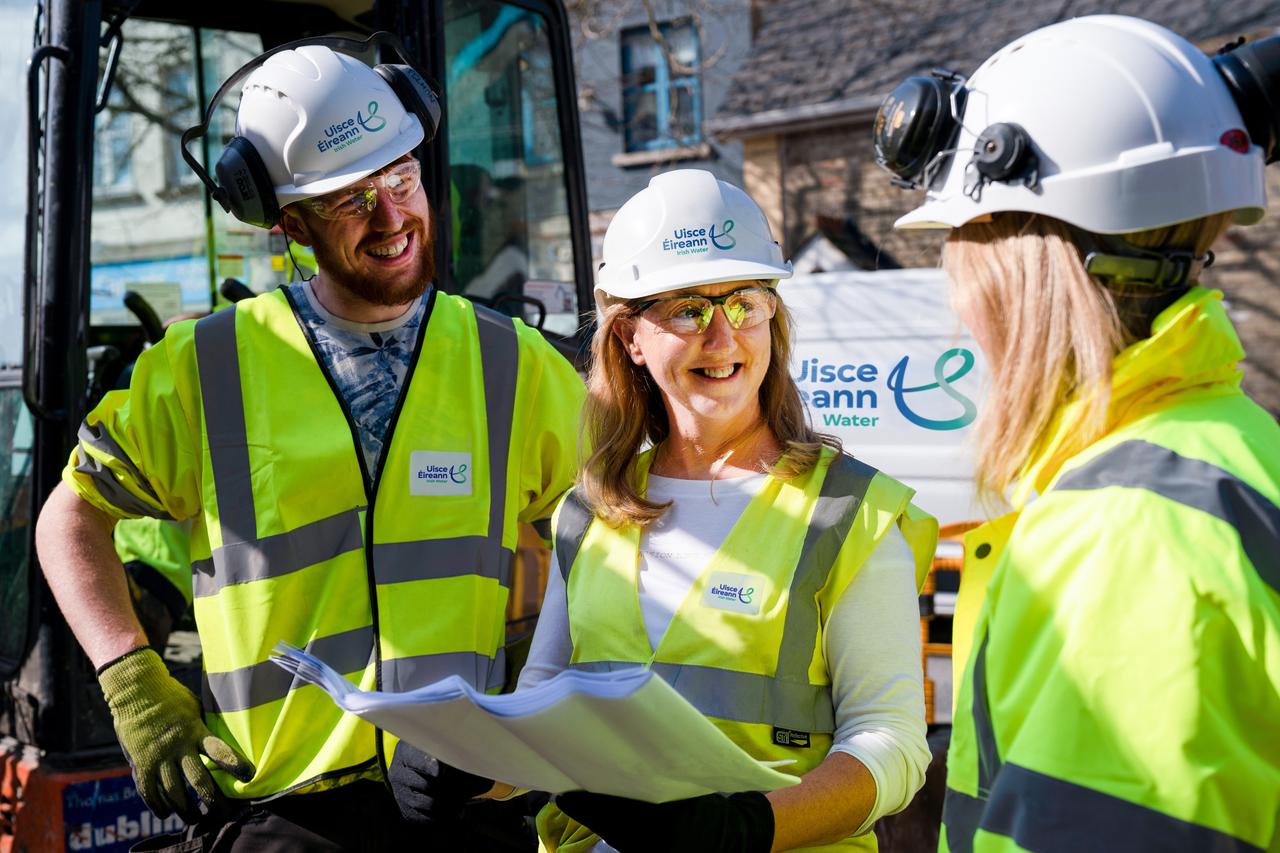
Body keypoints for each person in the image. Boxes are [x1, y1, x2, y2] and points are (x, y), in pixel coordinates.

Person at [34, 39, 584, 850]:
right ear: (289, 221)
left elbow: (622, 532)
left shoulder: (516, 364)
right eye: (352, 200)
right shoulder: (202, 367)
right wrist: (133, 681)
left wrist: (536, 697)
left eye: (401, 178)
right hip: (280, 816)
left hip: (465, 802)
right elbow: (66, 521)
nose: (393, 217)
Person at [874, 15, 1280, 852]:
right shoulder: (1231, 445)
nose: (961, 300)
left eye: (964, 250)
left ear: (1025, 260)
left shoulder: (1128, 530)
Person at [518, 169, 938, 852]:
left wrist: (751, 829)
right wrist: (475, 772)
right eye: (688, 307)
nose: (723, 337)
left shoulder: (846, 513)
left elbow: (890, 743)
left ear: (774, 314)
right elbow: (545, 701)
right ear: (630, 338)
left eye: (743, 302)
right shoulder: (590, 510)